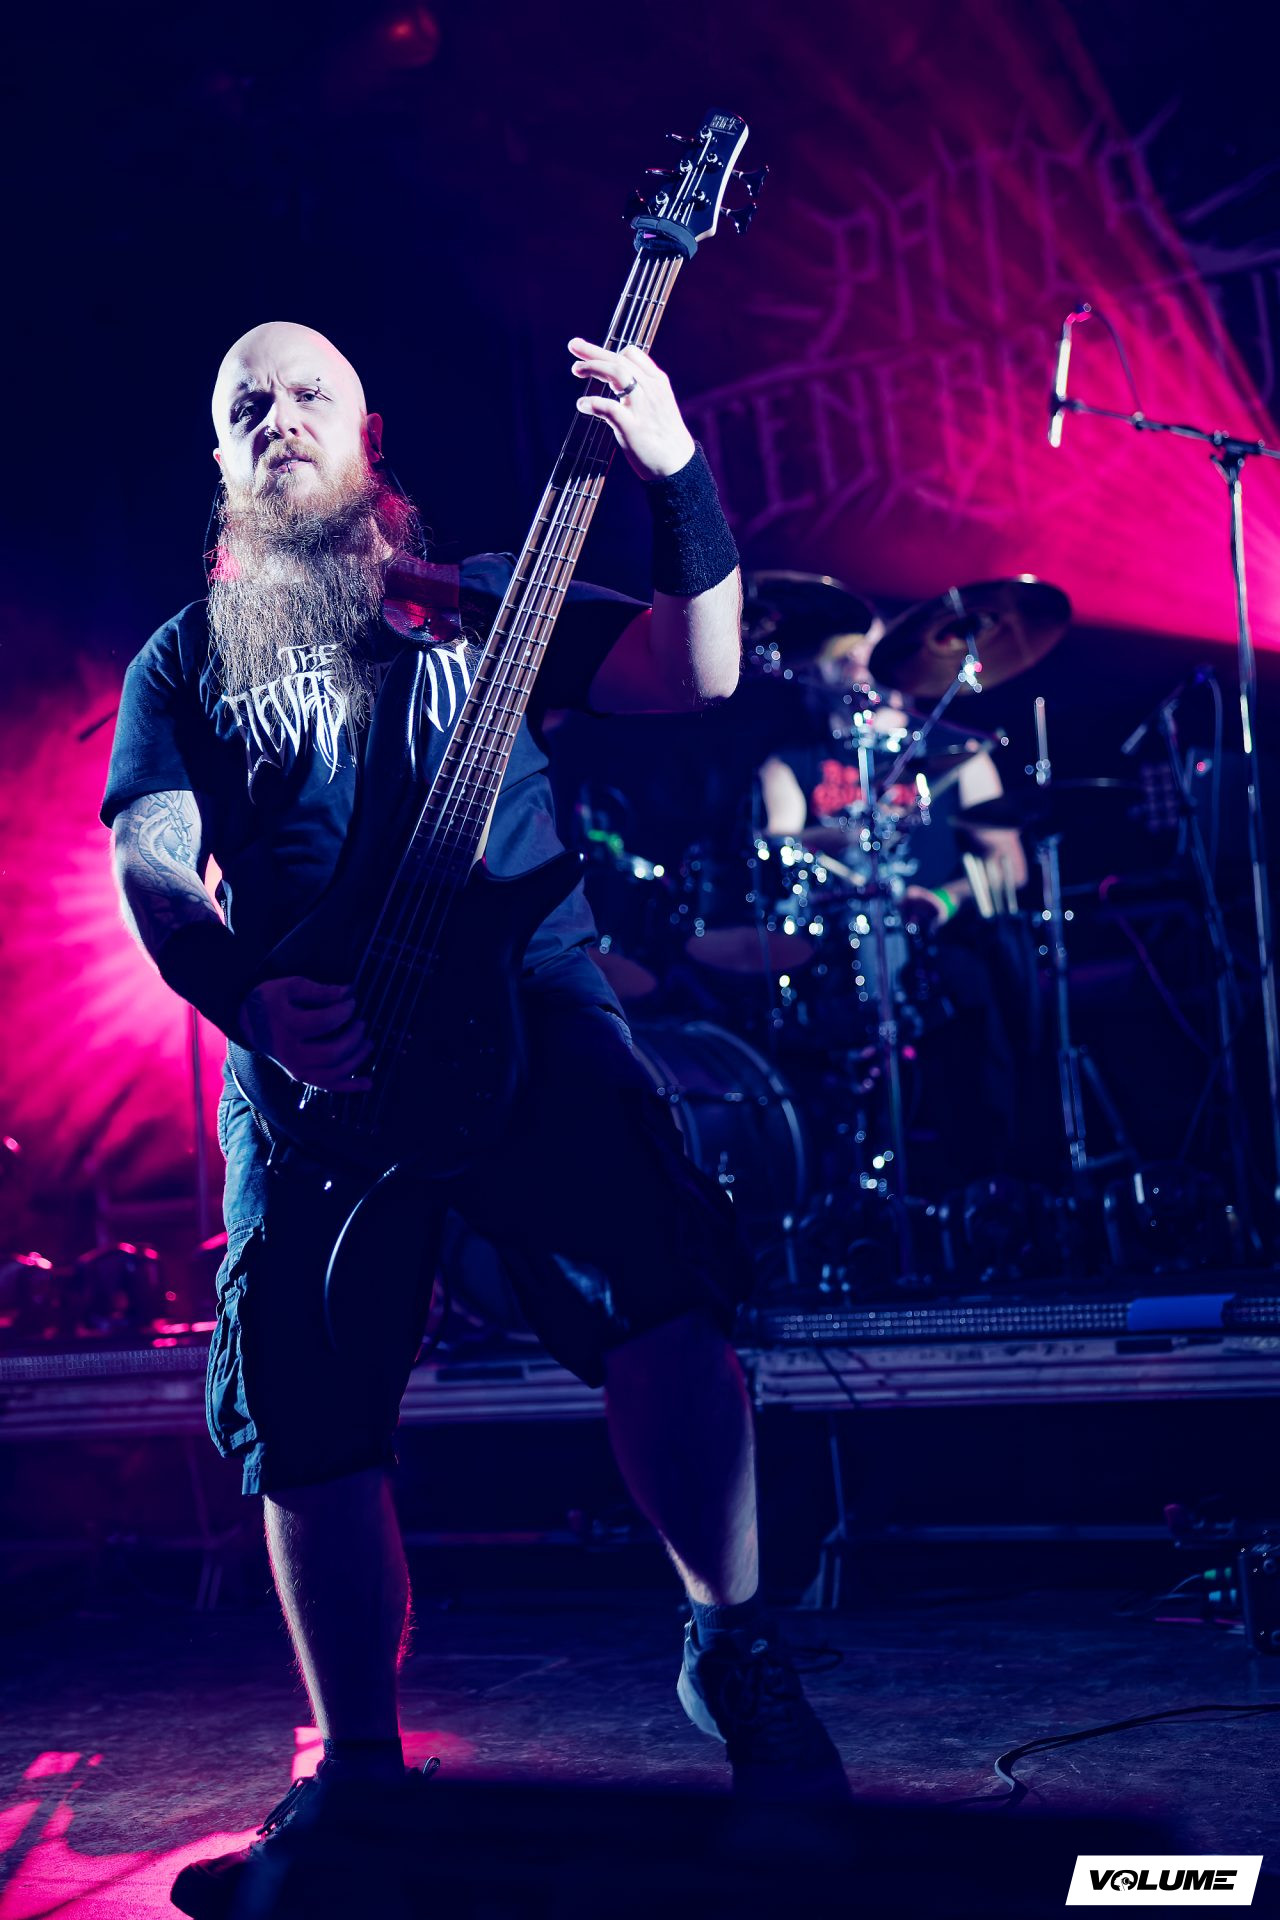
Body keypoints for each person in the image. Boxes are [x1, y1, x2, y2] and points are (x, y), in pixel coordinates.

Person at [102, 322, 848, 1916]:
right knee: (303, 1399)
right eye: (246, 406)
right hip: (316, 1050)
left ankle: (738, 1653)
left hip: (530, 1004)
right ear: (220, 464)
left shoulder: (484, 600)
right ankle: (358, 1775)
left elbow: (697, 666)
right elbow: (152, 863)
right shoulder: (184, 658)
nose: (278, 417)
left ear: (369, 433)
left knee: (664, 1288)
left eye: (308, 394)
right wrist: (244, 998)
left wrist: (674, 468)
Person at [757, 623, 1031, 1185]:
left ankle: (988, 1193)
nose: (860, 656)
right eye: (847, 645)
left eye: (872, 644)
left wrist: (945, 901)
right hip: (839, 959)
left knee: (975, 1021)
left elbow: (1011, 864)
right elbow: (779, 843)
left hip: (941, 950)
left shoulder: (960, 752)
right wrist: (847, 834)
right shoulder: (790, 762)